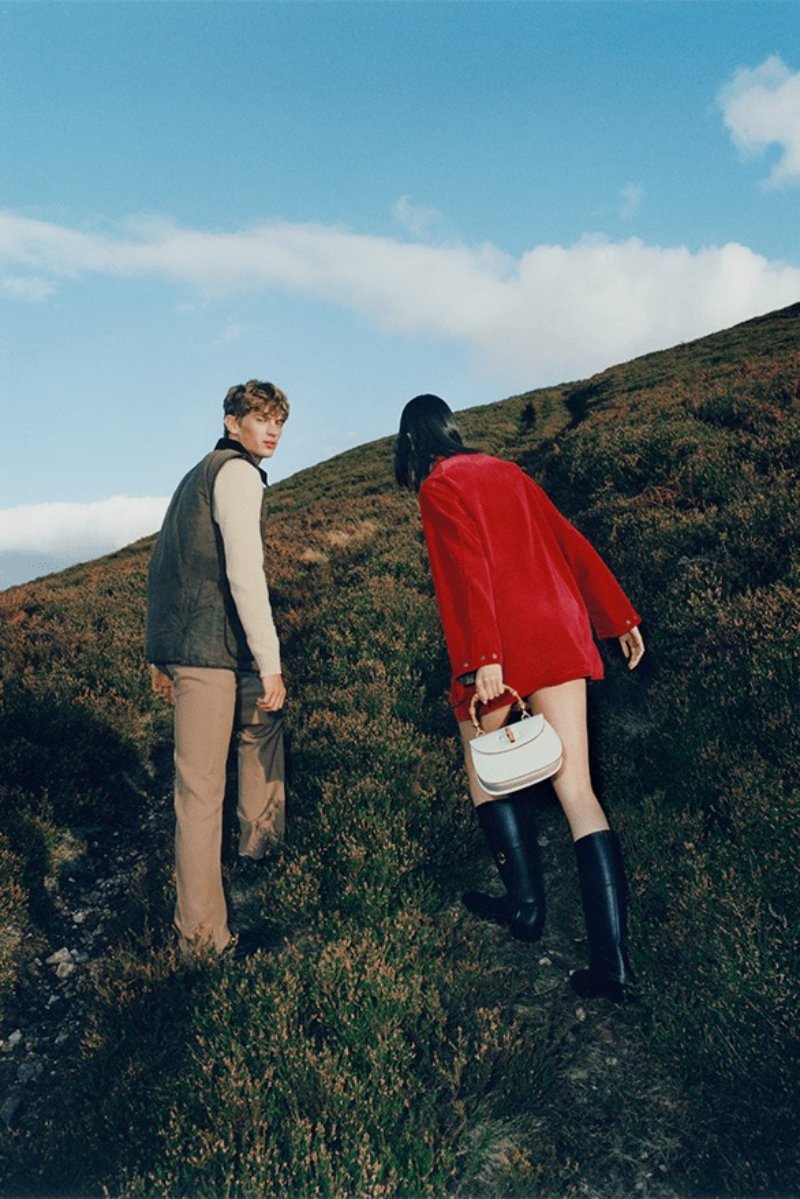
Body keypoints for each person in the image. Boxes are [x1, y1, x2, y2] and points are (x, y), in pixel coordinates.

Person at [395, 394, 645, 1004]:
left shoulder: (438, 486)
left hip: (502, 643)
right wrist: (618, 616)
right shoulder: (507, 470)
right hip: (558, 627)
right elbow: (569, 541)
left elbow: (467, 569)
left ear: (411, 443)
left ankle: (526, 906)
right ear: (452, 429)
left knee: (485, 774)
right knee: (578, 791)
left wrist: (485, 657)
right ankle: (611, 967)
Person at [146, 379, 289, 958]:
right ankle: (203, 939)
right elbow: (245, 572)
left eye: (278, 421)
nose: (272, 430)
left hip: (205, 648)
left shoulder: (195, 476)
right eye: (260, 418)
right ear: (233, 422)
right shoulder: (236, 474)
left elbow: (162, 568)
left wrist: (158, 656)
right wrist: (271, 661)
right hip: (207, 652)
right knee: (200, 790)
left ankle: (260, 843)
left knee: (262, 722)